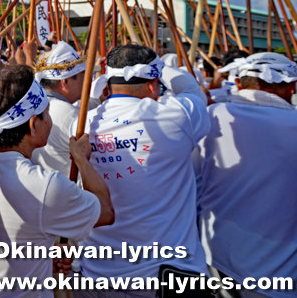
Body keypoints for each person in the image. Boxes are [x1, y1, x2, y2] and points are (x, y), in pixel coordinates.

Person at [0, 64, 114, 298]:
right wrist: (81, 159)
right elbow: (106, 212)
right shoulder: (46, 185)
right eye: (47, 114)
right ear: (33, 124)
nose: (50, 120)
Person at [71, 45, 210, 294]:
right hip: (164, 275)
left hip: (98, 273)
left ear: (107, 82)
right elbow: (191, 89)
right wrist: (163, 66)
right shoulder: (176, 116)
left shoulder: (82, 123)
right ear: (152, 84)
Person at [199, 52, 297, 298]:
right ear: (292, 87)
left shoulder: (211, 118)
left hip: (218, 252)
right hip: (282, 265)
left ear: (239, 84)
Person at [34, 42, 88, 175]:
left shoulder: (32, 106)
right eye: (83, 77)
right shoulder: (72, 116)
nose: (88, 82)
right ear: (66, 82)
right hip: (68, 191)